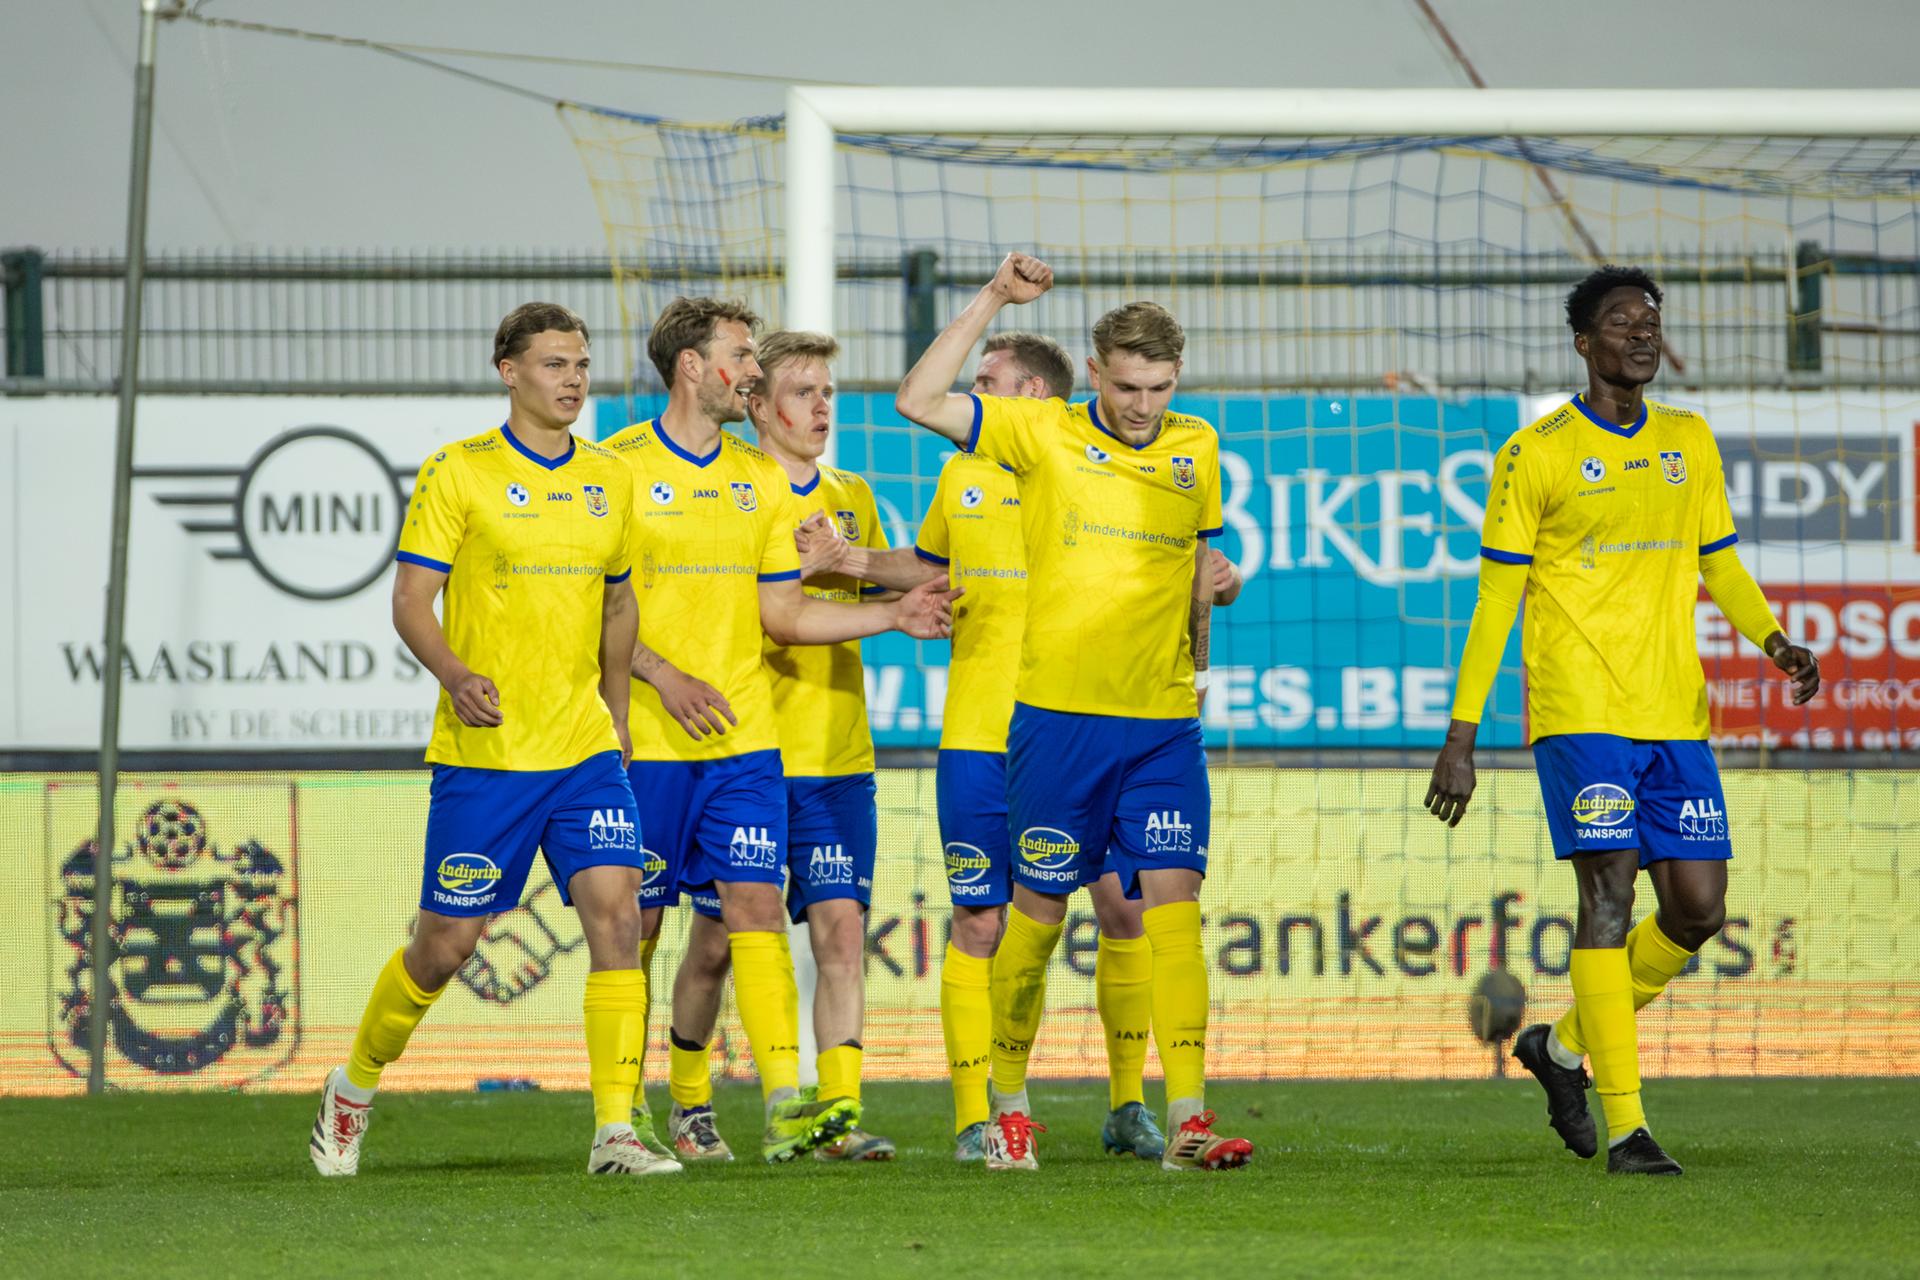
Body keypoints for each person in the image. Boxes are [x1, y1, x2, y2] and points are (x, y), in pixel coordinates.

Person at [1425, 265, 1820, 1175]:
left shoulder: (1689, 440)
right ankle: (1630, 1127)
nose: (1642, 334)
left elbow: (1717, 561)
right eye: (1621, 321)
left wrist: (1774, 640)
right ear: (1583, 340)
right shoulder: (1538, 452)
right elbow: (1496, 602)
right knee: (1608, 896)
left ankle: (1559, 1052)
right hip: (1579, 709)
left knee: (1698, 910)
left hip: (1674, 713)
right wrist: (1462, 734)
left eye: (1651, 321)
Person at [893, 252, 1253, 1173]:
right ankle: (1009, 1105)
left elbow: (1201, 575)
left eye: (1161, 387)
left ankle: (1188, 1118)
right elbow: (918, 399)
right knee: (1036, 918)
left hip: (1164, 725)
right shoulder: (1038, 432)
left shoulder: (1196, 448)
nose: (1144, 405)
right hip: (1055, 723)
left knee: (1173, 909)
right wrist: (994, 301)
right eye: (1128, 386)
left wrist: (1225, 583)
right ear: (1094, 373)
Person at [310, 302, 675, 1177]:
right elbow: (409, 600)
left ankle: (616, 1131)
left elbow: (618, 604)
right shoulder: (459, 473)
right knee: (447, 945)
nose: (574, 380)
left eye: (582, 364)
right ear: (507, 370)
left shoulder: (611, 477)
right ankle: (353, 1088)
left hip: (585, 750)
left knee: (621, 919)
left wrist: (618, 711)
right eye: (555, 364)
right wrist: (453, 673)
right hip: (489, 756)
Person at [604, 299, 956, 1164]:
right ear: (754, 402)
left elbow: (913, 576)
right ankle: (677, 1103)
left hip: (825, 751)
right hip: (699, 743)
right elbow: (739, 614)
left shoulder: (848, 496)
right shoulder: (662, 473)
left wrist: (861, 571)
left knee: (835, 931)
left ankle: (825, 1115)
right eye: (800, 390)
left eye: (828, 391)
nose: (820, 407)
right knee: (707, 943)